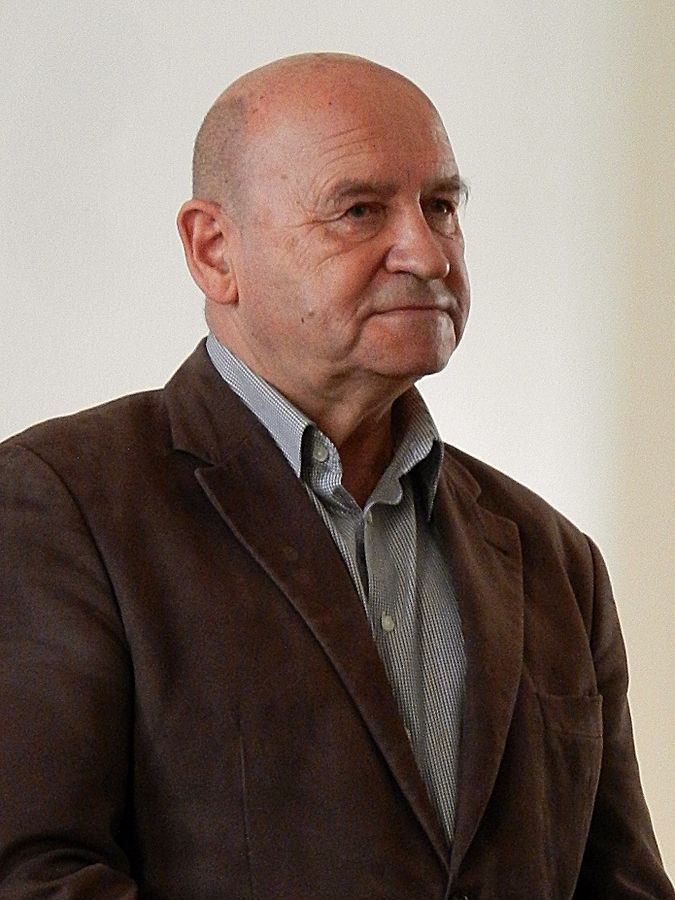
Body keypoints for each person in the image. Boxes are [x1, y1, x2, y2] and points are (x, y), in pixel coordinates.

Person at [0, 52, 671, 900]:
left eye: (441, 206)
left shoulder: (554, 559)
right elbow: (32, 875)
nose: (426, 253)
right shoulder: (59, 504)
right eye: (358, 210)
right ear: (214, 250)